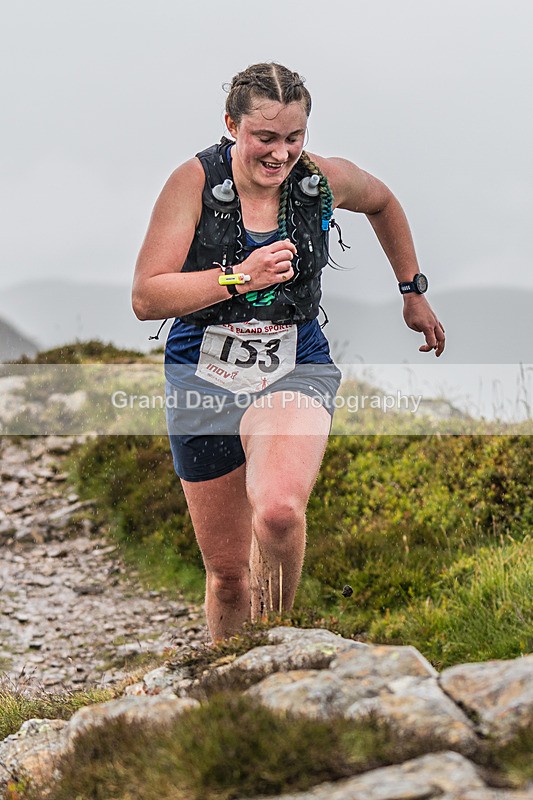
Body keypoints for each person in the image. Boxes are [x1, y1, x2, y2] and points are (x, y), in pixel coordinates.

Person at [132, 62, 445, 642]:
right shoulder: (193, 184)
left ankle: (275, 652)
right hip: (203, 374)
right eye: (266, 138)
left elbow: (383, 202)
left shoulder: (320, 179)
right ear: (232, 126)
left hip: (294, 364)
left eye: (294, 138)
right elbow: (148, 296)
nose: (281, 155)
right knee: (227, 576)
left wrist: (412, 290)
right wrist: (237, 278)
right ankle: (228, 682)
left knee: (277, 513)